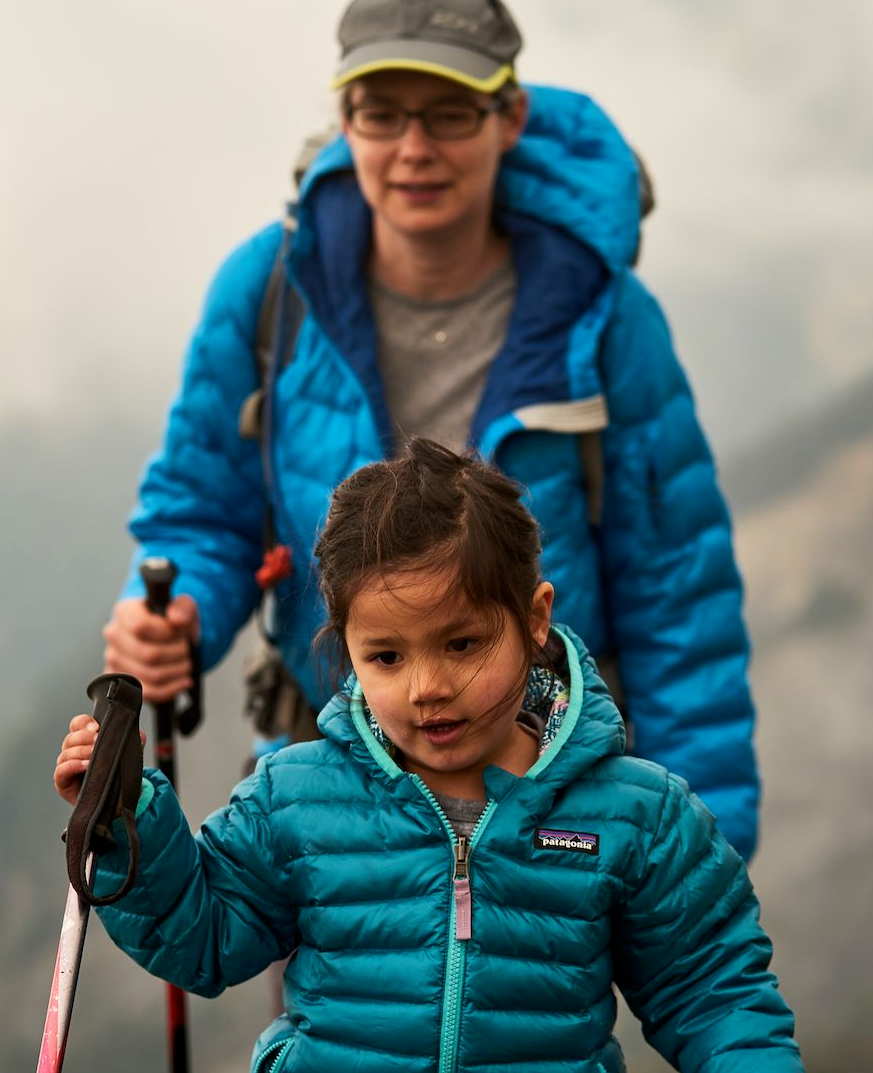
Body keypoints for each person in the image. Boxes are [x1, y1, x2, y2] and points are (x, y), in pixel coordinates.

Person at [102, 0, 759, 859]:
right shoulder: (269, 291)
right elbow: (202, 509)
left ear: (508, 118)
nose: (414, 148)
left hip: (555, 804)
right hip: (329, 794)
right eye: (381, 113)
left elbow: (677, 595)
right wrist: (176, 610)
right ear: (345, 119)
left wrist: (702, 858)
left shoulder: (603, 318)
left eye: (449, 113)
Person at [58, 440, 802, 1073]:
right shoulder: (294, 799)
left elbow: (713, 995)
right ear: (346, 650)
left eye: (463, 643)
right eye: (386, 656)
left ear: (534, 619)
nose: (428, 688)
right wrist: (126, 819)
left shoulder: (638, 816)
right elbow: (203, 937)